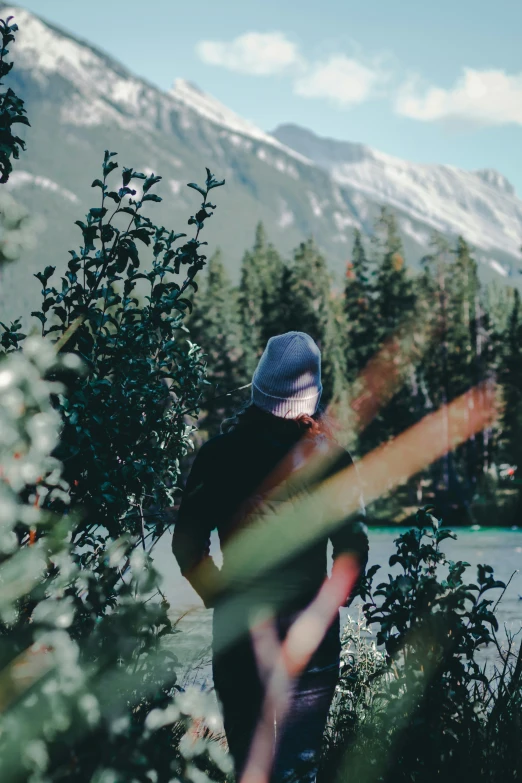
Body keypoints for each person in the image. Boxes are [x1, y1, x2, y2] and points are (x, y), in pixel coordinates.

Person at [172, 331, 369, 782]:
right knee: (299, 765)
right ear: (312, 395)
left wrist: (220, 594)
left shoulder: (219, 455)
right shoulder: (333, 461)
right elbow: (353, 550)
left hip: (239, 629)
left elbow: (186, 545)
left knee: (248, 763)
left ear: (260, 386)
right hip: (309, 633)